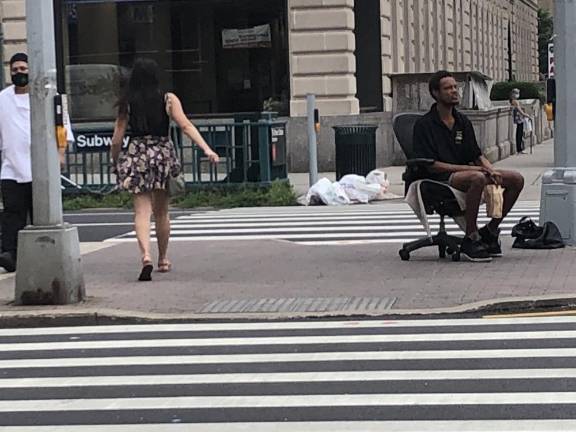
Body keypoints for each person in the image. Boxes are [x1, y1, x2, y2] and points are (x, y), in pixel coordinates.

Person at [111, 58, 219, 282]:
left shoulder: (127, 103)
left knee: (141, 212)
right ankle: (163, 258)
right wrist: (207, 149)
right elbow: (186, 126)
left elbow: (116, 139)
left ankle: (145, 256)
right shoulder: (168, 99)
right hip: (162, 153)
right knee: (162, 212)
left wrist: (116, 161)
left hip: (137, 154)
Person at [413, 70, 524, 262]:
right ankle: (471, 237)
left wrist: (491, 169)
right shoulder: (424, 125)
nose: (454, 91)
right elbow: (431, 165)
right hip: (436, 180)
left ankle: (489, 231)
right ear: (435, 93)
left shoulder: (462, 121)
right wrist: (474, 170)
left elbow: (476, 155)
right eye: (448, 88)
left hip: (466, 174)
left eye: (456, 87)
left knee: (515, 179)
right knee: (478, 178)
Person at [0, 53, 74, 273]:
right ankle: (9, 253)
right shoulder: (3, 99)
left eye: (23, 68)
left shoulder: (48, 96)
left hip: (40, 168)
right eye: (15, 70)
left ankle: (43, 254)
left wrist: (60, 154)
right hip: (11, 166)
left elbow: (62, 127)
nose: (19, 73)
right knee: (12, 212)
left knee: (40, 214)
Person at [510, 88, 530, 155]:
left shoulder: (514, 101)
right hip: (518, 119)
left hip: (519, 118)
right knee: (519, 134)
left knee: (520, 134)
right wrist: (525, 114)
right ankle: (519, 149)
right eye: (516, 93)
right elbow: (519, 110)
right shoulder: (514, 101)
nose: (518, 94)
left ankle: (520, 149)